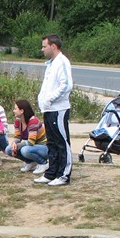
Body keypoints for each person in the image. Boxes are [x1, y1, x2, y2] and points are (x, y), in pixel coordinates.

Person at [35, 34, 73, 186]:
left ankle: (63, 175)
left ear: (53, 46)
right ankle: (51, 173)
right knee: (51, 142)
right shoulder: (51, 64)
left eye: (44, 46)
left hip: (58, 109)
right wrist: (43, 100)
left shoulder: (62, 62)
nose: (42, 49)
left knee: (61, 142)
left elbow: (66, 85)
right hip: (48, 110)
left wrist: (50, 98)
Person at [4, 99, 48, 173]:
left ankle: (43, 163)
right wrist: (14, 143)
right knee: (8, 149)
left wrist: (16, 146)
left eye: (15, 109)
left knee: (25, 150)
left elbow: (31, 142)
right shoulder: (17, 121)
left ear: (22, 111)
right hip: (33, 146)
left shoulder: (33, 121)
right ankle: (30, 162)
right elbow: (17, 136)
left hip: (44, 147)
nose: (13, 111)